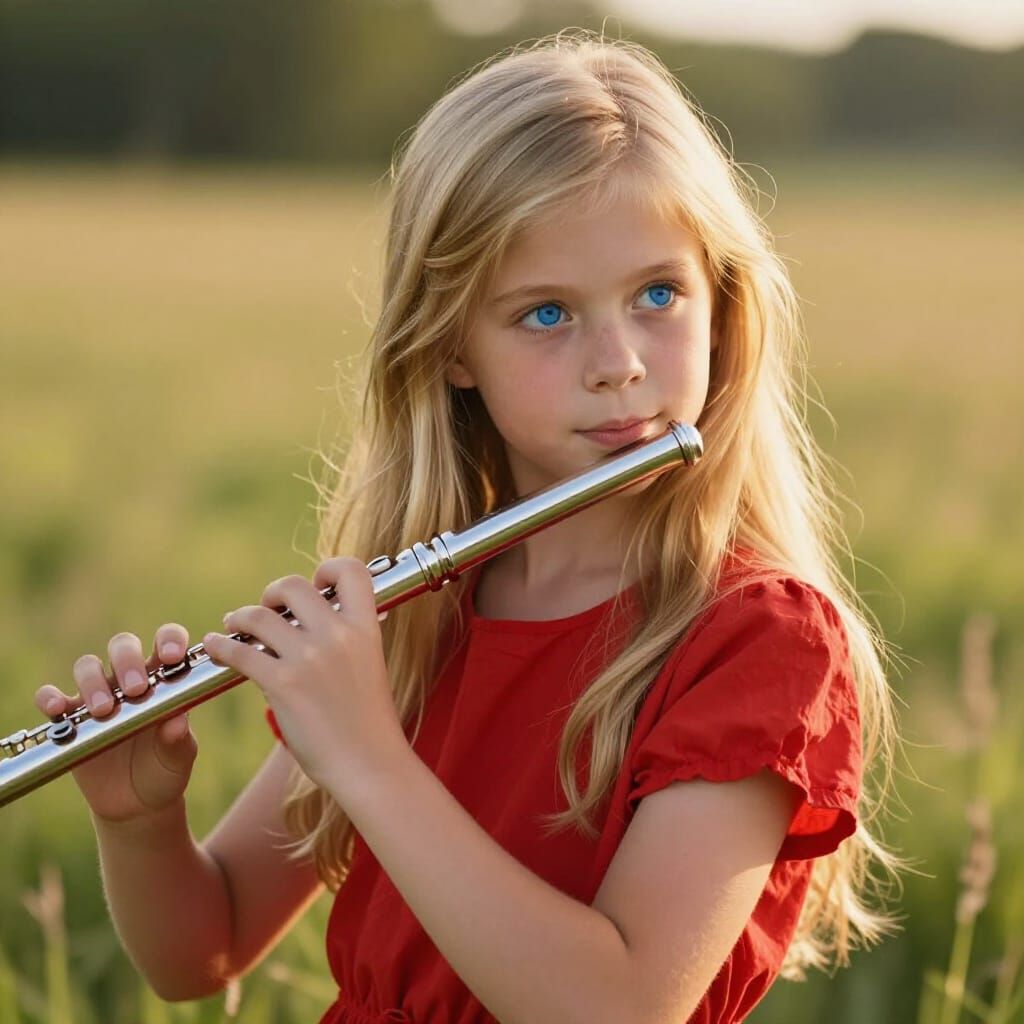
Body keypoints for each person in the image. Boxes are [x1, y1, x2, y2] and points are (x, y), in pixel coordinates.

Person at [35, 28, 905, 1024]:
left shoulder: (756, 640)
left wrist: (367, 756)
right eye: (545, 313)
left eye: (658, 294)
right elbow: (207, 947)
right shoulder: (412, 617)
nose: (617, 360)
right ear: (451, 348)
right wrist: (140, 822)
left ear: (722, 307)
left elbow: (616, 1008)